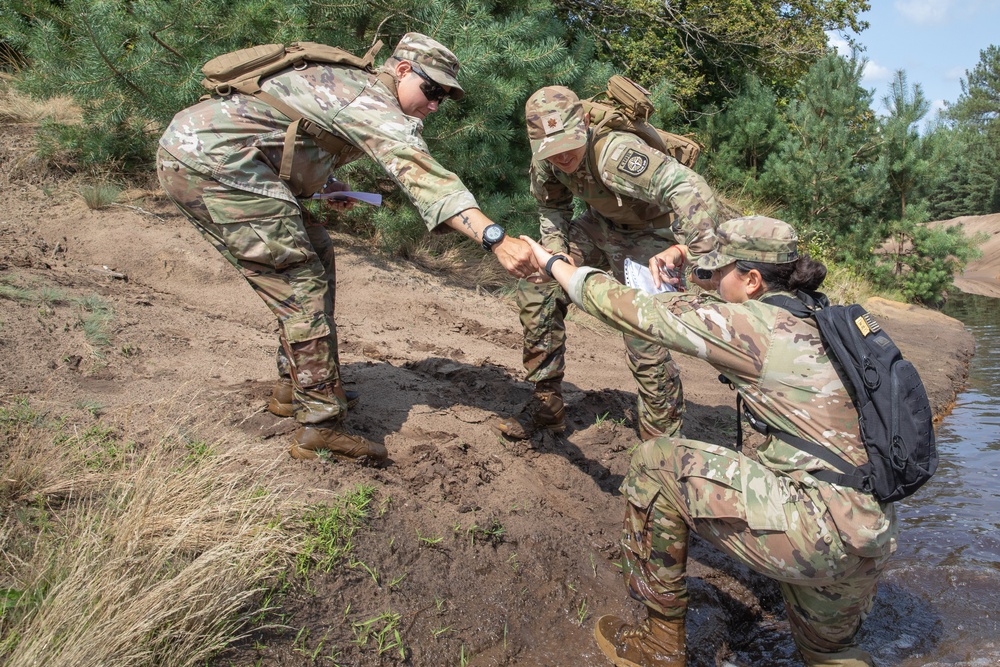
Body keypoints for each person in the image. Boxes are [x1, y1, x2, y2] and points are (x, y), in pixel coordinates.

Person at [519, 216, 894, 667]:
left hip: (816, 531)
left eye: (720, 273)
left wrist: (554, 262)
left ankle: (658, 646)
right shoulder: (818, 315)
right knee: (830, 654)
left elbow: (623, 307)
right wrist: (689, 275)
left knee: (656, 461)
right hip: (868, 531)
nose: (712, 283)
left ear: (752, 279)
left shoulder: (756, 327)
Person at [156, 33, 534, 461]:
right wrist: (494, 238)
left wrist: (328, 183)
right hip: (214, 166)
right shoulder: (369, 101)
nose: (434, 104)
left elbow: (291, 130)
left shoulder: (354, 88)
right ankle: (321, 426)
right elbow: (424, 175)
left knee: (317, 251)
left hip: (224, 159)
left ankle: (295, 387)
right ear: (403, 71)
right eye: (432, 90)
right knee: (301, 289)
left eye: (444, 98)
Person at [494, 86, 720, 442]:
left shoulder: (616, 154)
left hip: (652, 237)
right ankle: (546, 403)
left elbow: (689, 188)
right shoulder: (546, 156)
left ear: (584, 123)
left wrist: (698, 256)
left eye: (569, 145)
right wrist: (556, 253)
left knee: (645, 332)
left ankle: (663, 444)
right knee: (538, 284)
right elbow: (552, 208)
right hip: (601, 225)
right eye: (551, 151)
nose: (562, 157)